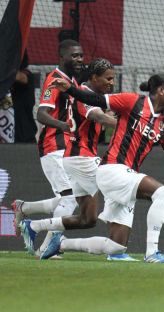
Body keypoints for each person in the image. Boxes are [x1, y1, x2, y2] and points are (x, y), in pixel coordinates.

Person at [41, 72, 164, 263]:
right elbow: (96, 99)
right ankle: (152, 253)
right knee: (161, 192)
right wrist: (71, 90)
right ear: (161, 91)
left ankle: (60, 243)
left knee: (116, 247)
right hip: (112, 168)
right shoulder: (132, 101)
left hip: (126, 175)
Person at [19, 58, 130, 260]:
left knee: (88, 219)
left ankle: (35, 226)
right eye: (108, 79)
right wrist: (127, 127)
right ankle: (117, 249)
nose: (111, 83)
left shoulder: (86, 92)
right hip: (81, 157)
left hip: (74, 156)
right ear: (94, 77)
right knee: (122, 187)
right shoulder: (84, 93)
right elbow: (98, 116)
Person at [13, 39, 84, 255]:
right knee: (71, 198)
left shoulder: (72, 81)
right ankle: (46, 247)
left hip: (68, 147)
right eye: (74, 55)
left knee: (71, 196)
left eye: (81, 55)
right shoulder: (54, 80)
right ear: (62, 57)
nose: (80, 59)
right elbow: (41, 113)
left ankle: (24, 208)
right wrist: (63, 125)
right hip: (53, 146)